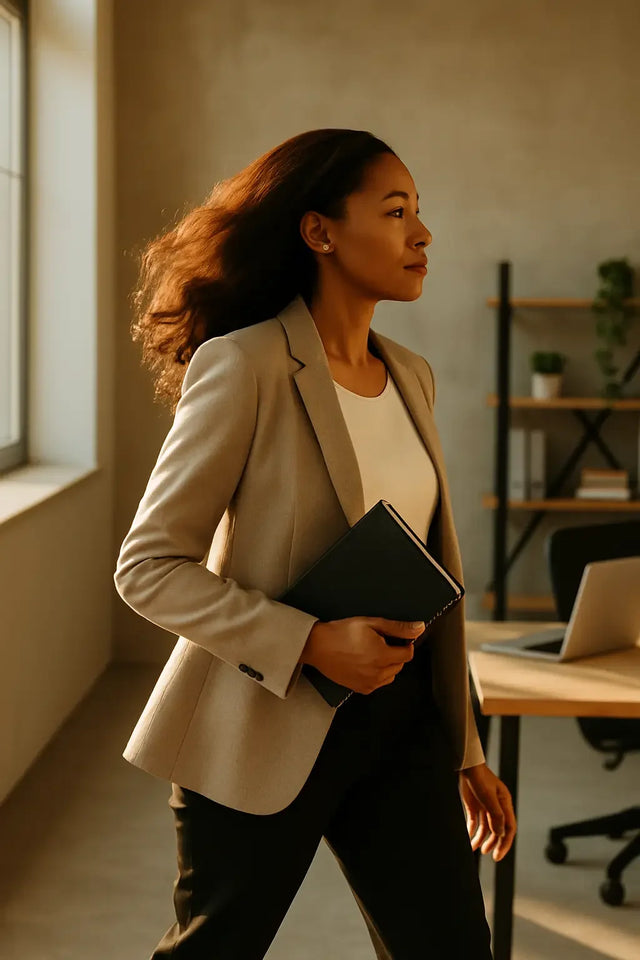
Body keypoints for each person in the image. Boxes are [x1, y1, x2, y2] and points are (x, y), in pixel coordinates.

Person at [114, 127, 517, 959]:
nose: (422, 233)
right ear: (319, 231)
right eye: (395, 210)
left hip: (405, 726)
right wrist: (308, 643)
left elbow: (432, 576)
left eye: (421, 212)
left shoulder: (412, 374)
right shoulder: (245, 365)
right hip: (261, 717)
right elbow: (149, 568)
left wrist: (466, 748)